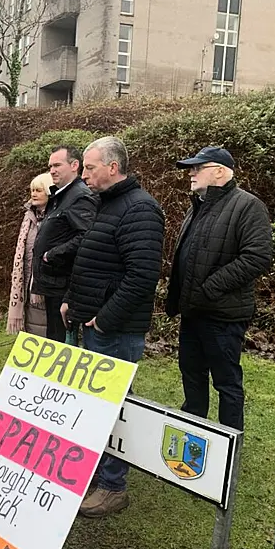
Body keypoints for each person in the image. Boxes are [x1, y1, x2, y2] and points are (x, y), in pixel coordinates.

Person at [61, 136, 165, 518]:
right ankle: (94, 473)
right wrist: (73, 300)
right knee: (92, 406)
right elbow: (93, 261)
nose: (84, 174)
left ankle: (113, 486)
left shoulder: (140, 209)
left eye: (89, 168)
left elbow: (141, 278)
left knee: (114, 409)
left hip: (114, 332)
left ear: (113, 167)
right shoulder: (108, 205)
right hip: (94, 325)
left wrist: (104, 319)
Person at [166, 147, 272, 432]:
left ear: (220, 171)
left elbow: (257, 257)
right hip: (193, 313)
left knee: (226, 383)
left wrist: (210, 288)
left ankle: (229, 443)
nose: (191, 173)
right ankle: (195, 433)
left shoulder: (248, 206)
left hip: (222, 317)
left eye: (198, 167)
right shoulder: (198, 206)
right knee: (192, 375)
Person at [31, 145, 99, 342]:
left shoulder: (79, 196)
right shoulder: (60, 195)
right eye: (50, 166)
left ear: (74, 165)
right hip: (53, 282)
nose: (52, 170)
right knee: (53, 337)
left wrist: (51, 255)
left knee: (62, 342)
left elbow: (86, 236)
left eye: (57, 165)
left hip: (64, 284)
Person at [6, 172, 54, 336]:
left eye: (39, 190)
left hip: (43, 287)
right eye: (32, 190)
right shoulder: (29, 219)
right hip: (26, 285)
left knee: (45, 331)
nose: (33, 194)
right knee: (32, 329)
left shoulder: (53, 219)